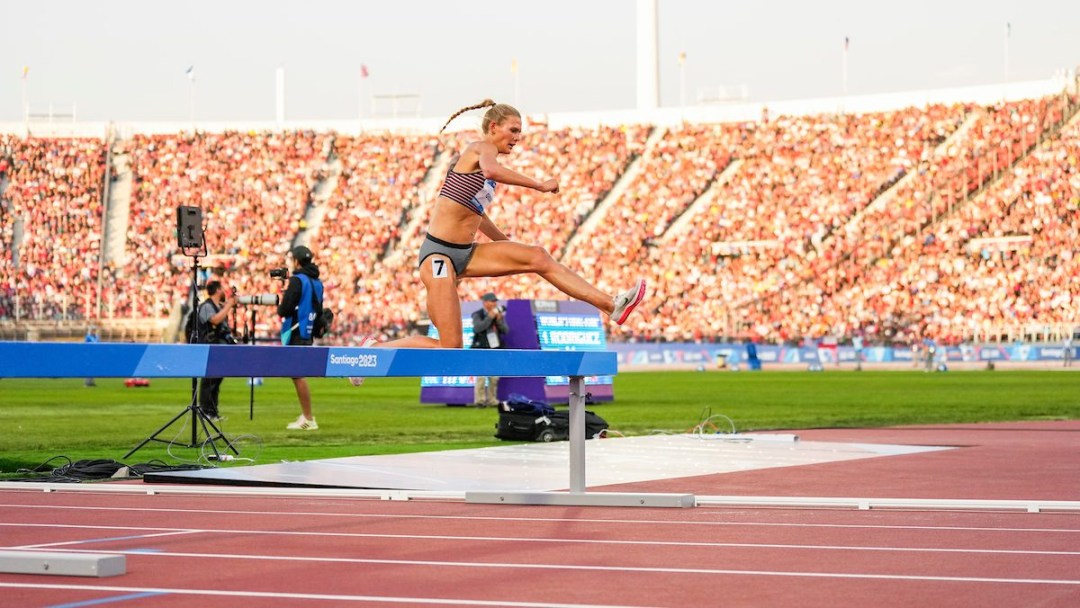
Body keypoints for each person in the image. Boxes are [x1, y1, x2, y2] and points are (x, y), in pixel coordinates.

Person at [379, 99, 647, 351]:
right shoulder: (480, 148)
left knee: (537, 256)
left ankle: (612, 305)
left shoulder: (486, 170)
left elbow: (478, 216)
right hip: (438, 255)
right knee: (450, 346)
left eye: (520, 132)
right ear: (493, 127)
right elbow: (491, 171)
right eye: (514, 130)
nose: (518, 138)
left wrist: (506, 245)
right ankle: (376, 350)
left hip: (466, 253)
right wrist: (539, 185)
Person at [278, 245, 326, 430]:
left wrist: (283, 301)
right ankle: (306, 416)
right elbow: (319, 308)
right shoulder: (317, 282)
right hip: (308, 331)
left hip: (296, 330)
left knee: (297, 375)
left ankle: (308, 418)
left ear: (296, 261)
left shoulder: (298, 280)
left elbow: (285, 309)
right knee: (297, 374)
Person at [196, 280, 236, 421]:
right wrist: (229, 306)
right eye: (222, 289)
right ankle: (205, 411)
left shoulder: (218, 307)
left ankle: (212, 412)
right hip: (209, 348)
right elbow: (215, 320)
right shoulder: (206, 306)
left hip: (218, 348)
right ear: (218, 290)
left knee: (216, 381)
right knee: (209, 381)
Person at [471, 292, 508, 406]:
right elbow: (478, 328)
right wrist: (489, 318)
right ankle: (480, 400)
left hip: (495, 348)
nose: (494, 303)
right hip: (481, 348)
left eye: (495, 301)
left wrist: (498, 320)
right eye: (492, 301)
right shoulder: (477, 314)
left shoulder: (498, 313)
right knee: (481, 377)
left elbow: (506, 330)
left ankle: (492, 400)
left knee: (494, 377)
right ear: (485, 303)